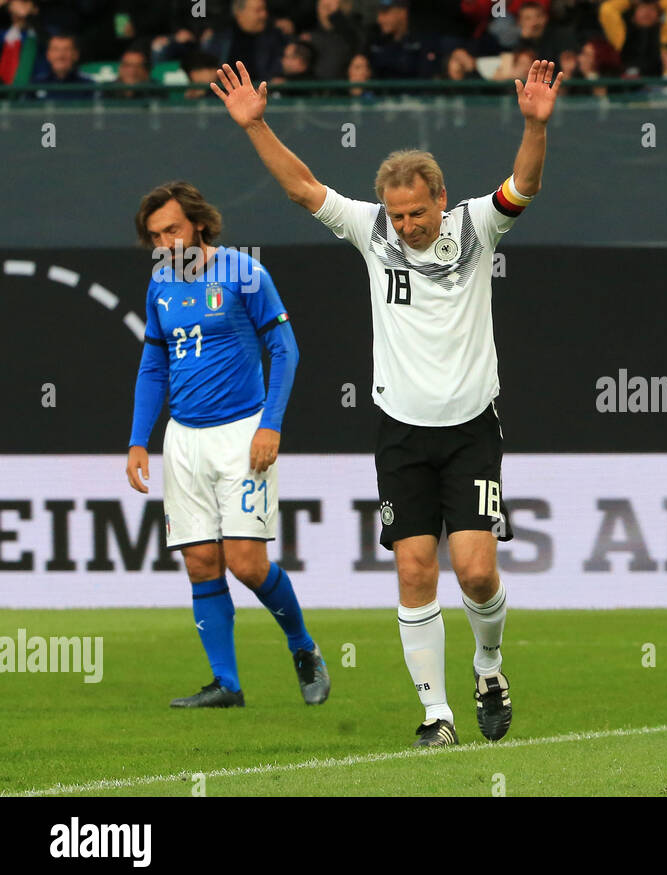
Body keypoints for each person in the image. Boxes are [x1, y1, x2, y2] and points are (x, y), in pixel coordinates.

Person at [210, 56, 561, 747]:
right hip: (402, 431)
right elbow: (304, 187)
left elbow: (525, 183)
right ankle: (437, 714)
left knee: (478, 570)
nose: (406, 225)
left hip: (470, 430)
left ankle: (488, 664)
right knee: (412, 565)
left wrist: (534, 126)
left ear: (440, 198)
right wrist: (256, 127)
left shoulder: (477, 228)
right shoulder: (371, 232)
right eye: (397, 214)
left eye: (416, 212)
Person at [127, 180, 329, 709]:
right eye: (155, 236)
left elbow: (284, 349)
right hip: (184, 439)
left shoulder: (243, 272)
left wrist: (271, 424)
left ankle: (302, 646)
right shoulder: (159, 286)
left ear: (197, 222)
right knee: (199, 562)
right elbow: (154, 365)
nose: (165, 243)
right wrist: (137, 441)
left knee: (246, 563)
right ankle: (227, 684)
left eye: (172, 229)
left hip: (242, 433)